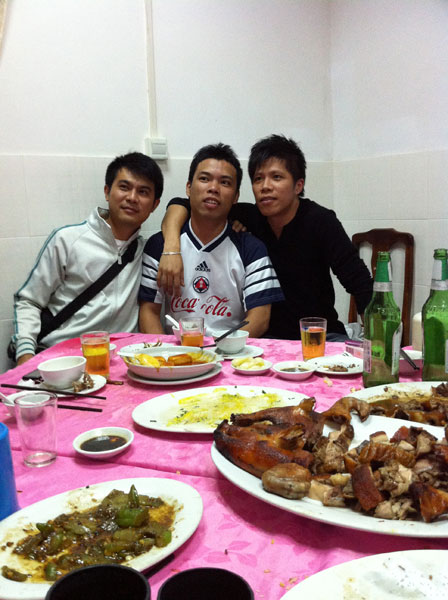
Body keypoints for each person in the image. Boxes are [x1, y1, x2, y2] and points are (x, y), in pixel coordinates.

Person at [158, 134, 373, 341]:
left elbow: (360, 283)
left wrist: (377, 342)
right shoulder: (249, 216)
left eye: (276, 177)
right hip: (268, 339)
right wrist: (171, 249)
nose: (265, 187)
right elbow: (182, 204)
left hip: (319, 335)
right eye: (258, 179)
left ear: (298, 185)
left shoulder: (321, 221)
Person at [11, 152, 163, 365]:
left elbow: (182, 207)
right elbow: (29, 300)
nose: (132, 197)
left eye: (143, 192)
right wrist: (25, 355)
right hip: (61, 360)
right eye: (124, 187)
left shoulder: (146, 252)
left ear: (155, 204)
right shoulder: (67, 240)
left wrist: (172, 246)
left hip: (118, 364)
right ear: (107, 191)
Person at [138, 143, 284, 337]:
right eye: (205, 179)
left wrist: (222, 349)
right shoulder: (161, 246)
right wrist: (165, 351)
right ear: (189, 188)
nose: (213, 188)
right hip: (176, 351)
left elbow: (260, 318)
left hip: (230, 351)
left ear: (236, 196)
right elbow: (149, 312)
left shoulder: (251, 249)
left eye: (225, 182)